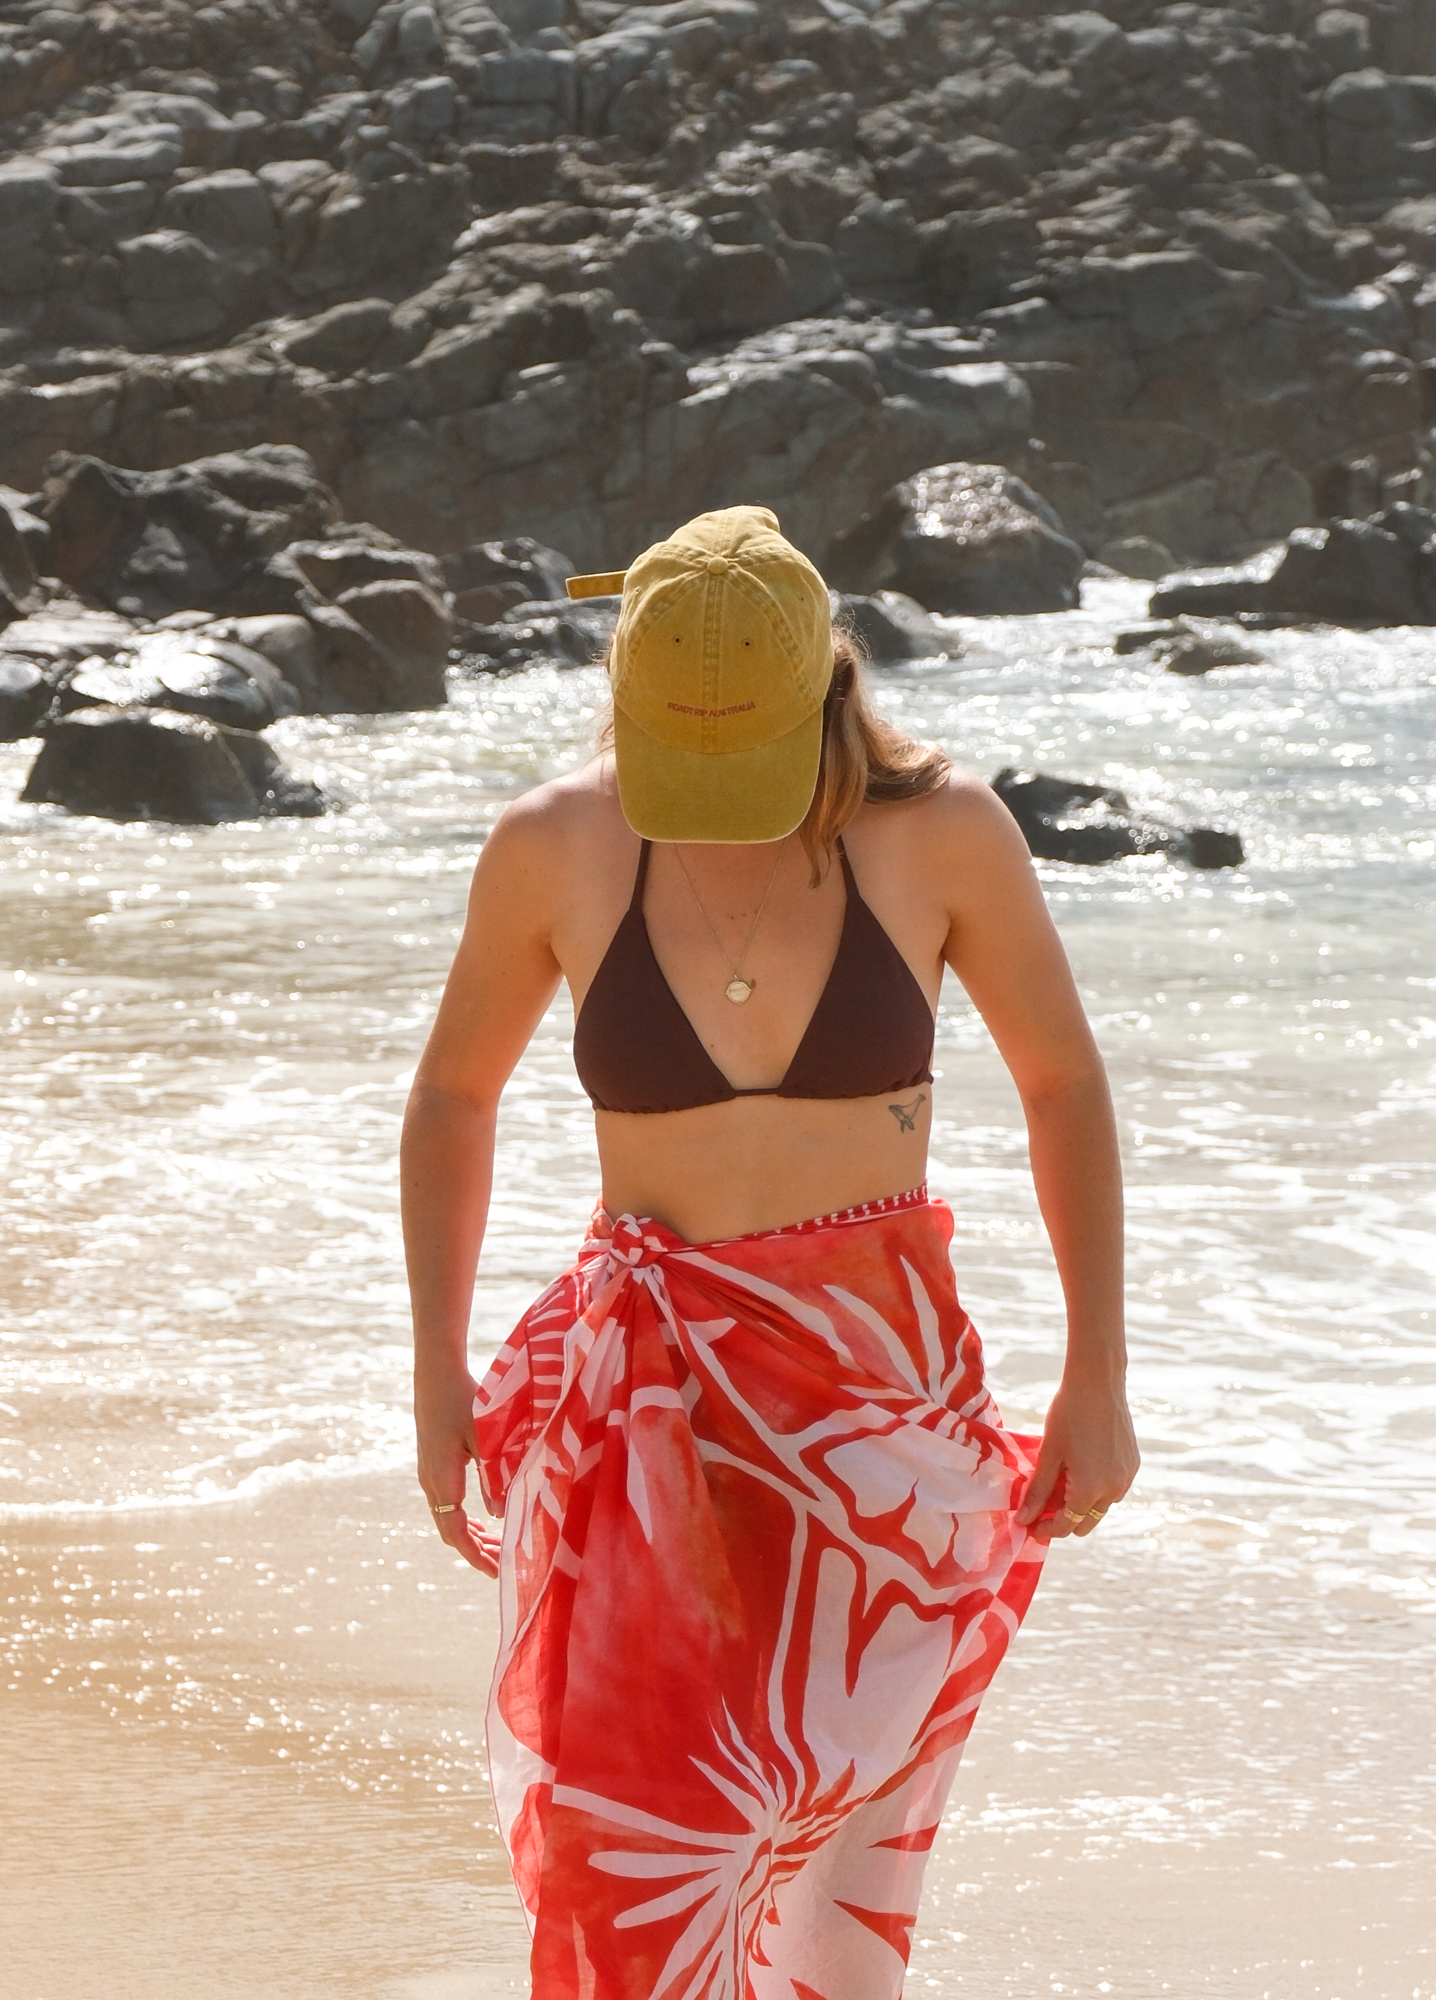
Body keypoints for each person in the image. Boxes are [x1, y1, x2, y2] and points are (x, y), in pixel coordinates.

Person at [401, 505, 1138, 2000]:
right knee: (630, 1859)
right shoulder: (553, 845)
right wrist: (435, 1368)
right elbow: (453, 1097)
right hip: (643, 1414)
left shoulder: (944, 833)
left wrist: (1098, 1376)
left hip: (875, 1432)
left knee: (834, 1879)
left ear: (824, 683)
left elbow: (1062, 1082)